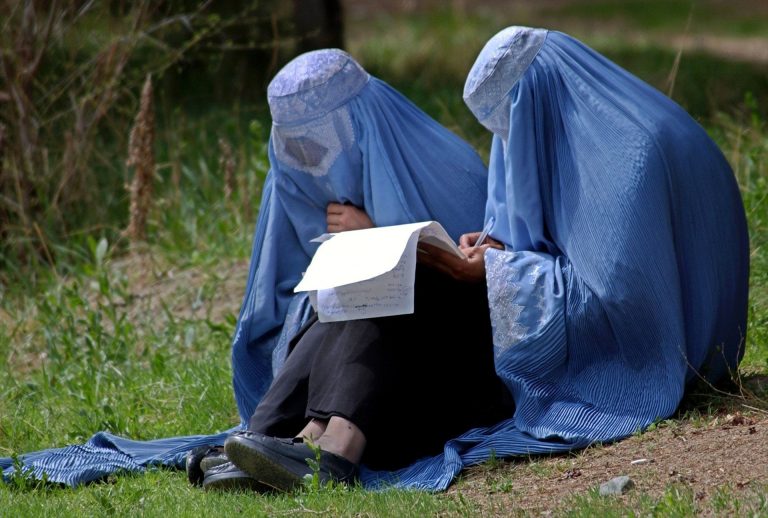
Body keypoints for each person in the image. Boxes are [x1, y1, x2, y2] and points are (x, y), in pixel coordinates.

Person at [389, 26, 748, 490]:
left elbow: (624, 305)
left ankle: (354, 436)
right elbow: (566, 238)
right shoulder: (612, 124)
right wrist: (501, 246)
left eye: (509, 124)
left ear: (535, 97)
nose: (507, 143)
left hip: (650, 355)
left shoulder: (630, 161)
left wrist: (496, 272)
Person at [201, 48, 515, 491]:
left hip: (449, 382)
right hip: (377, 400)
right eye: (297, 149)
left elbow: (493, 293)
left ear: (359, 126)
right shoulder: (298, 191)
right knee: (340, 296)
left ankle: (334, 452)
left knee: (387, 277)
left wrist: (375, 236)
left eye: (319, 145)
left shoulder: (448, 166)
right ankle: (273, 438)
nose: (311, 164)